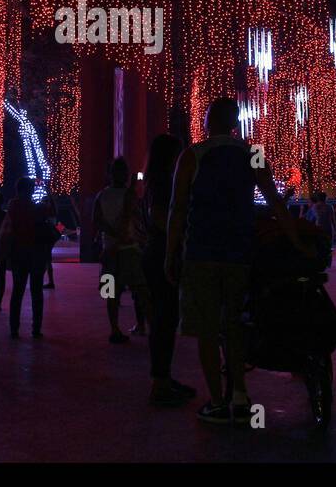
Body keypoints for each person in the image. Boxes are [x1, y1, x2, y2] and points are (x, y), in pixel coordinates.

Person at [166, 98, 291, 425]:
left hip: (201, 253)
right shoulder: (254, 154)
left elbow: (177, 209)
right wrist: (296, 240)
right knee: (234, 324)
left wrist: (170, 252)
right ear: (235, 123)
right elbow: (275, 202)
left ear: (208, 122)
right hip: (240, 253)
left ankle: (218, 402)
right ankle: (240, 394)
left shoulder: (192, 155)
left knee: (207, 329)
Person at [138, 133, 194, 407]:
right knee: (164, 318)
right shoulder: (162, 183)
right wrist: (181, 239)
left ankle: (163, 378)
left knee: (163, 319)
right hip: (162, 252)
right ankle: (160, 383)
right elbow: (162, 218)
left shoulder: (153, 182)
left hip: (154, 251)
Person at [95, 157, 147, 344]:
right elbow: (135, 220)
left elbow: (97, 221)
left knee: (110, 293)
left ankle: (114, 328)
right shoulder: (130, 195)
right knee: (138, 290)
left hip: (109, 251)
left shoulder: (101, 195)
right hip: (129, 250)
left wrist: (111, 234)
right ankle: (141, 325)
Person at [0, 178, 53, 338]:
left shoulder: (13, 206)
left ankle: (14, 328)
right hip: (36, 253)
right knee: (36, 292)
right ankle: (36, 328)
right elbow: (51, 212)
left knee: (18, 291)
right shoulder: (38, 208)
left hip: (19, 253)